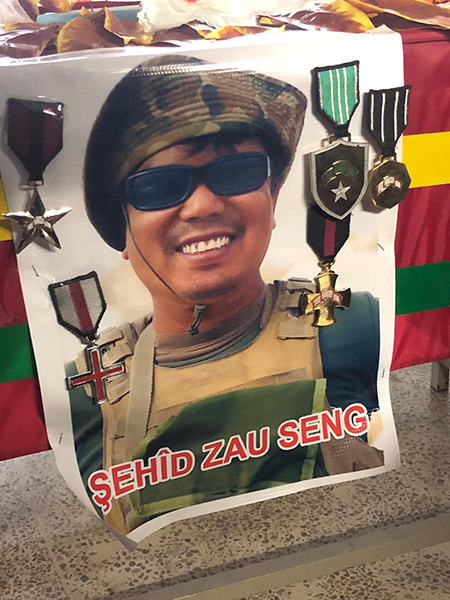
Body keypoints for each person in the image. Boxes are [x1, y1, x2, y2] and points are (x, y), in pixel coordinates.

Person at [68, 54, 383, 535]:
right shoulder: (87, 386)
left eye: (235, 173)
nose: (201, 206)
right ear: (124, 234)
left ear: (273, 200)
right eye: (158, 187)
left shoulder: (352, 325)